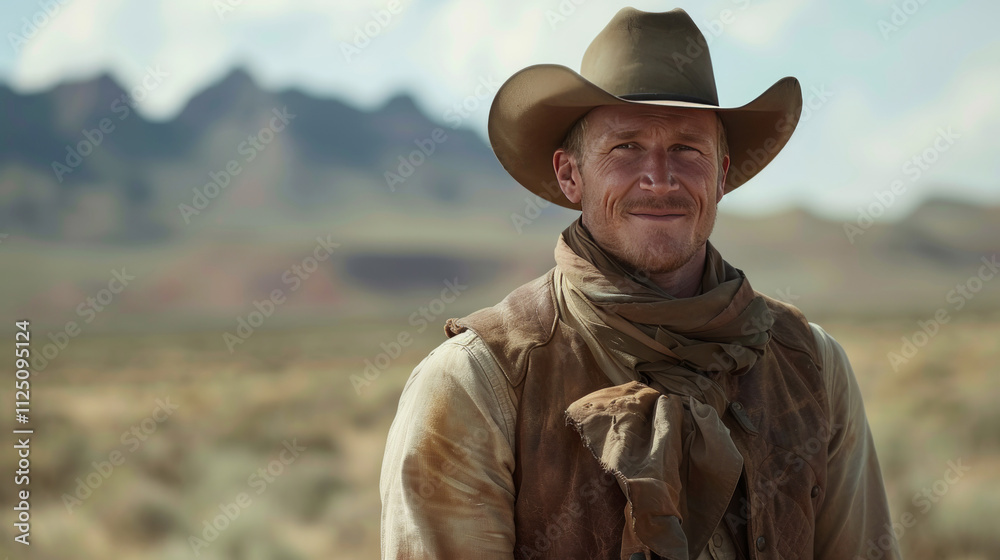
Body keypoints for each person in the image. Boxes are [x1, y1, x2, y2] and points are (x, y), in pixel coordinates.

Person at [380, 7, 900, 560]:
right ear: (570, 174)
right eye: (625, 146)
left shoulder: (811, 365)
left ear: (721, 175)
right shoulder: (477, 383)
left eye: (687, 148)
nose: (659, 178)